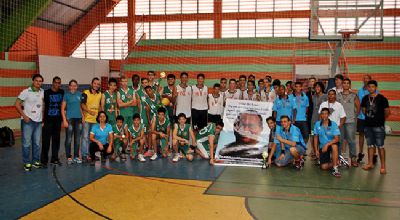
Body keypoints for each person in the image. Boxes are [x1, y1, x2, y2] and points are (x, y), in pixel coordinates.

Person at [15, 74, 45, 171]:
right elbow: (17, 104)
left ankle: (36, 161)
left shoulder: (42, 92)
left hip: (38, 122)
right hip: (28, 121)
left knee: (36, 143)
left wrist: (43, 119)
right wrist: (24, 116)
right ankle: (27, 162)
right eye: (37, 80)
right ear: (33, 81)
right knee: (26, 143)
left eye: (40, 81)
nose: (38, 82)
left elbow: (43, 106)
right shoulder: (26, 92)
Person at [361, 80, 390, 174]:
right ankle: (370, 163)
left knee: (380, 146)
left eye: (373, 87)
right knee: (370, 146)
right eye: (369, 87)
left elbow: (387, 112)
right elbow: (363, 109)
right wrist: (370, 117)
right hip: (368, 126)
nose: (371, 88)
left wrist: (379, 119)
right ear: (367, 88)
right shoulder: (365, 98)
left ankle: (383, 166)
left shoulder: (382, 98)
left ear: (376, 88)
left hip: (379, 126)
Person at [41, 76, 64, 167]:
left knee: (56, 140)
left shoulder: (62, 92)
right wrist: (42, 120)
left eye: (59, 83)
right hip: (48, 120)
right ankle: (44, 161)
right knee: (46, 141)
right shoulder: (46, 93)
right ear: (52, 83)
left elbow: (63, 105)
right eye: (56, 82)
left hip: (57, 121)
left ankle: (54, 159)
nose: (57, 84)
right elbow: (42, 106)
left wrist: (63, 119)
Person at [337, 78, 360, 166]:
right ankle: (339, 158)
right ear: (342, 85)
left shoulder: (354, 95)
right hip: (340, 121)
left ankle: (353, 159)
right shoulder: (338, 95)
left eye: (347, 83)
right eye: (344, 83)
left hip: (350, 121)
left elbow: (358, 108)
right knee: (340, 140)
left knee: (351, 140)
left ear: (350, 85)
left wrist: (354, 117)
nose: (346, 85)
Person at [313, 108, 341, 177]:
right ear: (321, 115)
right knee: (324, 167)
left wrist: (327, 144)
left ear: (328, 115)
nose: (324, 115)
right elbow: (315, 137)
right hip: (322, 146)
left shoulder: (333, 124)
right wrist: (316, 150)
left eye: (326, 114)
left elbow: (337, 139)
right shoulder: (317, 124)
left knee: (334, 146)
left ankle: (335, 168)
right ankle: (337, 161)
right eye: (322, 114)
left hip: (332, 144)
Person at [62, 79, 83, 164]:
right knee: (69, 139)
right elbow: (62, 108)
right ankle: (69, 156)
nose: (73, 87)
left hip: (79, 119)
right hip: (69, 119)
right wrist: (64, 120)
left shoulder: (80, 94)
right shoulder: (66, 95)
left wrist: (83, 116)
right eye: (72, 85)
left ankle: (76, 156)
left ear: (77, 86)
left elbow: (81, 106)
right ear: (69, 86)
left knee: (77, 139)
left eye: (75, 85)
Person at [81, 77, 102, 162]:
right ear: (91, 84)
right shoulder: (85, 93)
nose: (96, 85)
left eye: (98, 84)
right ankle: (84, 155)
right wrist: (89, 111)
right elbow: (82, 105)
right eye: (95, 83)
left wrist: (101, 117)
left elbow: (100, 106)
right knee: (85, 138)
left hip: (95, 121)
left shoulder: (100, 94)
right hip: (87, 119)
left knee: (92, 138)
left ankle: (91, 154)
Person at [356, 74, 376, 163]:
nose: (365, 80)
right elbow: (357, 104)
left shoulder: (375, 91)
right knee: (361, 135)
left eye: (367, 79)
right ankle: (360, 153)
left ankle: (374, 154)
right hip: (361, 117)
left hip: (371, 117)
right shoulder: (359, 91)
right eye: (364, 79)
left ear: (370, 80)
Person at [310, 82, 327, 160]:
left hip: (322, 119)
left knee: (322, 136)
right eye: (315, 87)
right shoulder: (313, 97)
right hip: (314, 119)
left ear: (322, 88)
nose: (317, 88)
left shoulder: (325, 96)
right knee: (313, 136)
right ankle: (315, 152)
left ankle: (322, 153)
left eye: (318, 87)